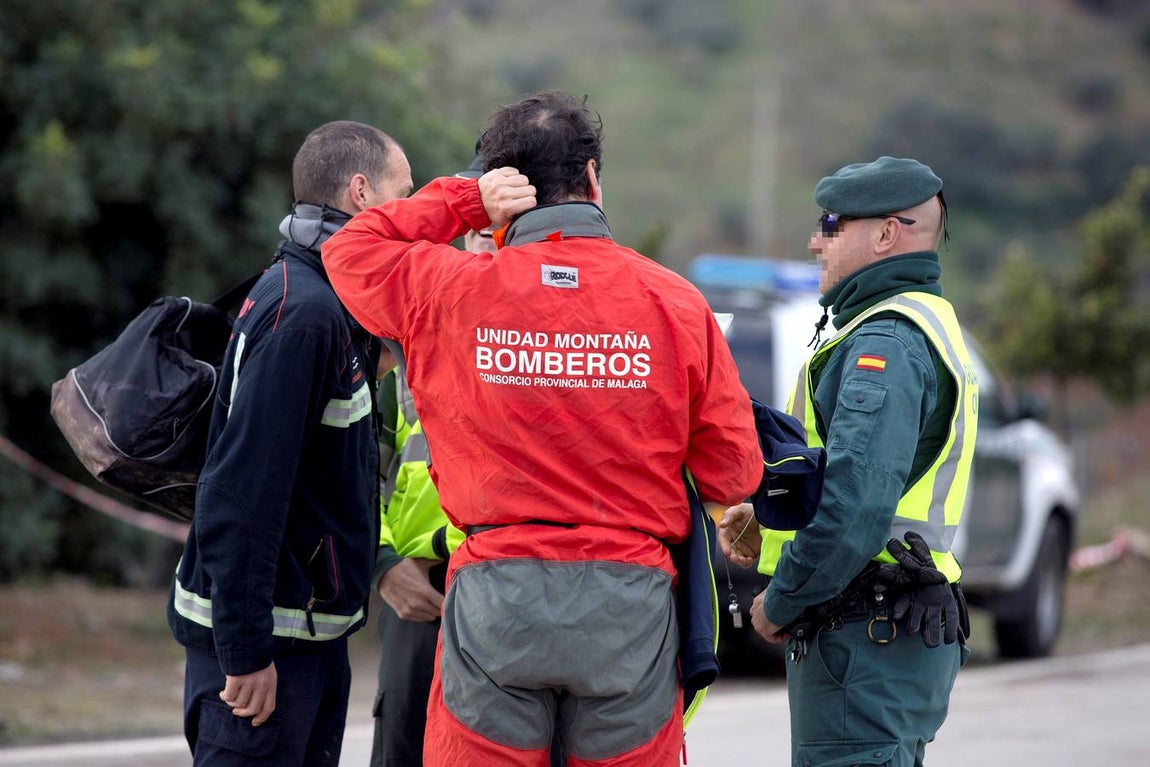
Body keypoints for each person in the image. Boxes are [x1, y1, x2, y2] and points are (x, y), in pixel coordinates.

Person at [323, 90, 763, 767]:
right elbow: (732, 472)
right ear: (592, 179)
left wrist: (463, 202)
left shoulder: (448, 285)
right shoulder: (676, 302)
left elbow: (349, 249)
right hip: (630, 606)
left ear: (499, 185)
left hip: (495, 601)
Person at [167, 120, 413, 767]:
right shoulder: (303, 314)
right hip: (267, 657)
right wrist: (245, 652)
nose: (411, 213)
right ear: (362, 192)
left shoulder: (323, 302)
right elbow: (239, 492)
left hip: (306, 644)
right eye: (403, 193)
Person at [719, 156, 979, 767]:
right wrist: (767, 529)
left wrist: (781, 599)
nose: (816, 240)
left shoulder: (883, 343)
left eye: (832, 222)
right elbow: (850, 478)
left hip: (865, 636)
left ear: (886, 233)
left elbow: (855, 506)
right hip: (881, 632)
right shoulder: (904, 324)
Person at [367, 150, 496, 767]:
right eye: (474, 228)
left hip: (513, 582)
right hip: (420, 587)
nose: (485, 244)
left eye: (499, 232)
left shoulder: (549, 330)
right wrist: (384, 563)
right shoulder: (404, 338)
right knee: (403, 745)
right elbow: (359, 468)